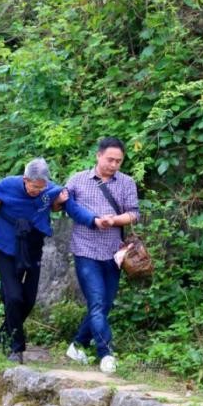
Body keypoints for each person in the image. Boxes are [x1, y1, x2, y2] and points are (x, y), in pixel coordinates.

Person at [0, 158, 101, 363]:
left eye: (41, 187)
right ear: (25, 179)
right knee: (13, 297)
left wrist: (93, 220)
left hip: (33, 246)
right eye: (33, 187)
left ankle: (4, 334)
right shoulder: (7, 186)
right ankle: (16, 348)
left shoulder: (51, 191)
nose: (37, 191)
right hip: (7, 245)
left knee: (28, 299)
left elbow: (68, 206)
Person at [64, 137, 139, 374]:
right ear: (98, 156)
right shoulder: (78, 180)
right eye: (110, 160)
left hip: (114, 253)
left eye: (118, 161)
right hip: (85, 250)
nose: (114, 165)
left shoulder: (126, 182)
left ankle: (77, 345)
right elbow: (65, 206)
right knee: (96, 302)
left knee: (104, 305)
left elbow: (134, 214)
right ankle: (105, 353)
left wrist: (114, 220)